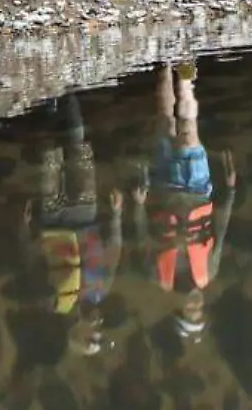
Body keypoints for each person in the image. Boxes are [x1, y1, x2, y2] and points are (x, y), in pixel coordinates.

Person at [132, 62, 236, 349]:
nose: (195, 305)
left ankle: (165, 62)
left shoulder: (158, 276)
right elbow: (222, 228)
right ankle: (186, 73)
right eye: (199, 311)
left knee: (164, 119)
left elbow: (143, 239)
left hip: (163, 188)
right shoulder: (209, 273)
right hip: (198, 190)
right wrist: (231, 190)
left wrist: (138, 206)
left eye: (189, 311)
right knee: (189, 131)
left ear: (178, 308)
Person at [19, 94, 123, 357]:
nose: (98, 326)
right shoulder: (102, 290)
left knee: (50, 156)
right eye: (100, 332)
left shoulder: (53, 302)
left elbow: (31, 262)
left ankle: (47, 102)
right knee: (80, 151)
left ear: (75, 332)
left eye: (92, 336)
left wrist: (25, 228)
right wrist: (117, 215)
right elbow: (114, 251)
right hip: (86, 216)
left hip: (52, 223)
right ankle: (70, 97)